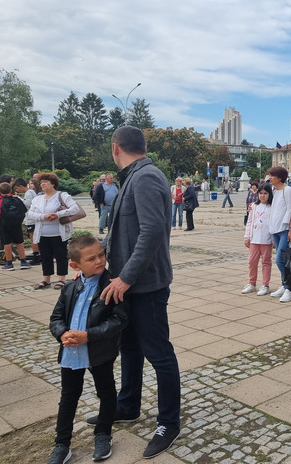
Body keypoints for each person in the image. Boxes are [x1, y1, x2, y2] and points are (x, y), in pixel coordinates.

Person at [92, 126, 182, 459]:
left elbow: (152, 232)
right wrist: (97, 260)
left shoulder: (145, 177)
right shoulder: (133, 175)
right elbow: (122, 233)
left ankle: (169, 422)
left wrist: (126, 278)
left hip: (146, 285)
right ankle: (127, 405)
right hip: (126, 283)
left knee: (159, 353)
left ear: (115, 147)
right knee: (129, 346)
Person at [47, 235, 128, 464]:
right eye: (91, 258)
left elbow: (119, 320)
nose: (100, 261)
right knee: (69, 397)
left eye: (101, 255)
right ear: (75, 265)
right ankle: (62, 444)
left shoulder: (112, 285)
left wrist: (89, 335)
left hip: (99, 352)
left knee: (106, 392)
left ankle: (103, 433)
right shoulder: (70, 288)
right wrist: (62, 333)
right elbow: (56, 318)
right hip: (71, 354)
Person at [28, 173, 81, 290]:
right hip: (42, 233)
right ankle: (46, 279)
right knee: (45, 256)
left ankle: (61, 279)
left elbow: (75, 208)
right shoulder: (37, 199)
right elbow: (30, 214)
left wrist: (57, 214)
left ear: (53, 184)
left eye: (45, 183)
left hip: (58, 233)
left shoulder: (62, 195)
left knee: (60, 255)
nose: (42, 185)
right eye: (41, 183)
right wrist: (43, 216)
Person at [265, 166, 291, 302]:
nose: (270, 178)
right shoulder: (275, 191)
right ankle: (284, 285)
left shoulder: (287, 190)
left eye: (272, 175)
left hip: (284, 230)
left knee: (281, 259)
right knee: (281, 259)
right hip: (275, 230)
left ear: (279, 177)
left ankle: (289, 288)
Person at [242, 182, 274, 296]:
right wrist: (247, 236)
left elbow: (274, 223)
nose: (262, 196)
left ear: (269, 194)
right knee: (252, 261)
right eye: (260, 193)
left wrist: (273, 239)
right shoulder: (254, 206)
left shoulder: (272, 207)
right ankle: (252, 283)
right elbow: (250, 221)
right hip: (254, 238)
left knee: (266, 262)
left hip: (266, 239)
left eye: (265, 193)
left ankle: (265, 285)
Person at [0, 182, 30, 270]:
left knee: (7, 243)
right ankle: (23, 262)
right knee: (19, 242)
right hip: (17, 224)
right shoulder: (17, 199)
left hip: (4, 225)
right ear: (10, 190)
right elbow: (24, 210)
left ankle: (9, 263)